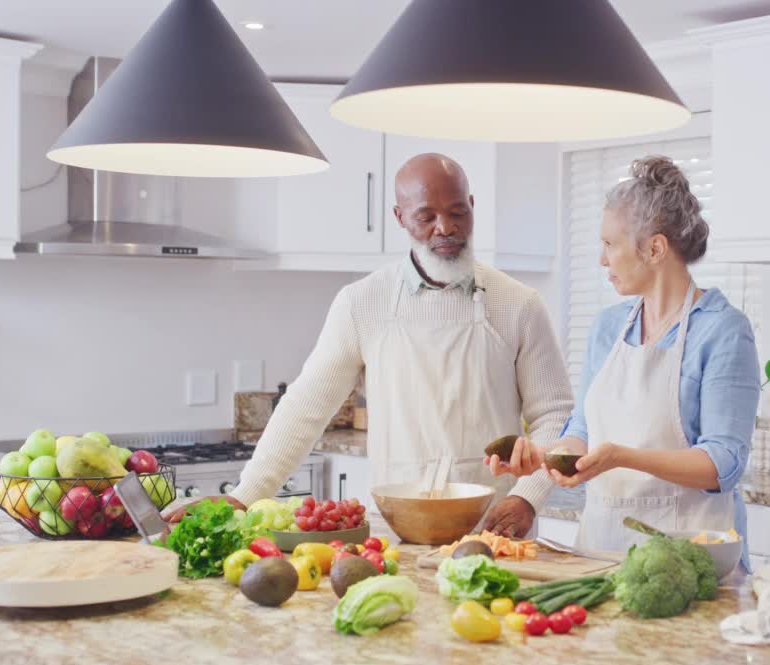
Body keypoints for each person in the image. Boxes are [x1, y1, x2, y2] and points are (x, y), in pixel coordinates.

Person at [165, 154, 573, 538]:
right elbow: (307, 405)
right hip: (396, 527)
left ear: (472, 205)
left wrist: (528, 497)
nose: (444, 228)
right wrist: (246, 494)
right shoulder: (362, 303)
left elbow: (554, 416)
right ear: (400, 217)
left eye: (456, 212)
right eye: (426, 216)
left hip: (496, 525)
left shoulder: (518, 304)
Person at [487, 155, 760, 562]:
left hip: (688, 559)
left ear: (654, 248)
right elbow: (582, 428)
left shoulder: (723, 330)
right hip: (601, 550)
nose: (601, 259)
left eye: (610, 244)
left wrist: (621, 457)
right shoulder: (608, 327)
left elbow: (723, 464)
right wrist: (545, 458)